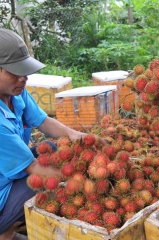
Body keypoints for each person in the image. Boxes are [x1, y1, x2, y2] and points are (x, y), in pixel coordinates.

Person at [0, 28, 92, 240]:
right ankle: (5, 231)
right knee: (41, 182)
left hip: (8, 174)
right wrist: (81, 177)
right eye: (15, 71)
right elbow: (34, 168)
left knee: (51, 149)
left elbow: (43, 121)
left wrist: (76, 136)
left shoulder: (16, 92)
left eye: (25, 71)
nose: (24, 78)